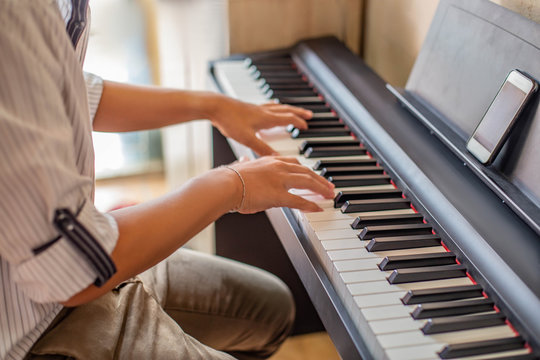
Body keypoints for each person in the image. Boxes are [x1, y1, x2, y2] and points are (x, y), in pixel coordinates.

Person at [0, 0, 335, 359]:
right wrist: (232, 185)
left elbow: (70, 90)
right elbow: (71, 272)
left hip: (70, 254)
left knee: (273, 310)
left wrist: (213, 105)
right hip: (31, 330)